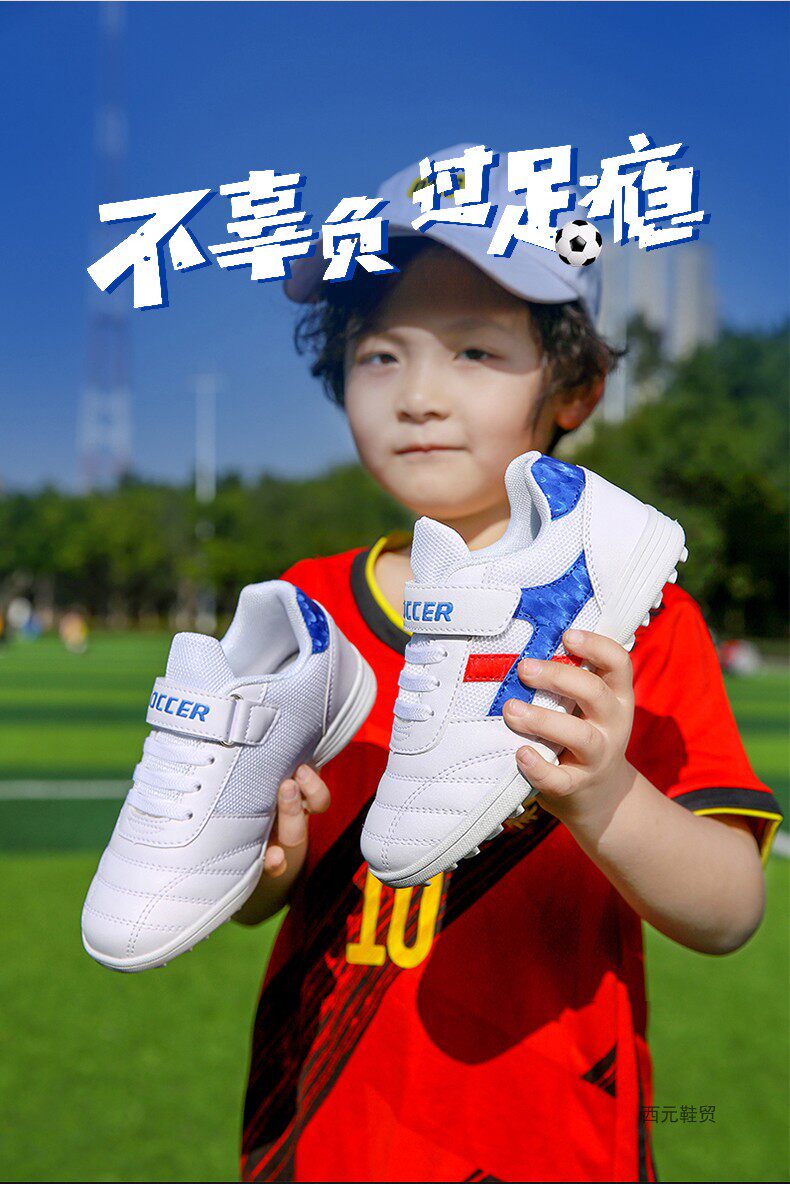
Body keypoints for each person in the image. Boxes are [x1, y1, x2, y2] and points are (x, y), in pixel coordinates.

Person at [233, 147, 784, 1183]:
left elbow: (728, 909)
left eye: (475, 350)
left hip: (549, 1145)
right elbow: (263, 900)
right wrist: (258, 856)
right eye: (378, 354)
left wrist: (604, 794)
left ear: (575, 389)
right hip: (323, 1131)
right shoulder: (301, 605)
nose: (418, 395)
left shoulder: (635, 619)